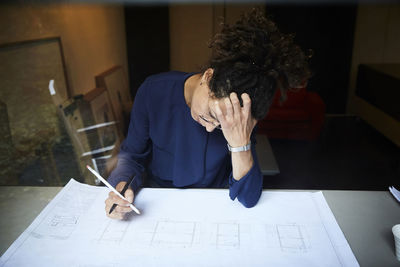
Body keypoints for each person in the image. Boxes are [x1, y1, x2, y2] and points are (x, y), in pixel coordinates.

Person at [104, 8, 311, 219]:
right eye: (211, 115)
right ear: (208, 77)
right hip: (160, 200)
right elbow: (132, 157)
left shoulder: (240, 116)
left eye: (221, 124)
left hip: (214, 204)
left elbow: (248, 198)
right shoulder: (153, 91)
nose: (211, 127)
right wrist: (121, 185)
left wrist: (240, 143)